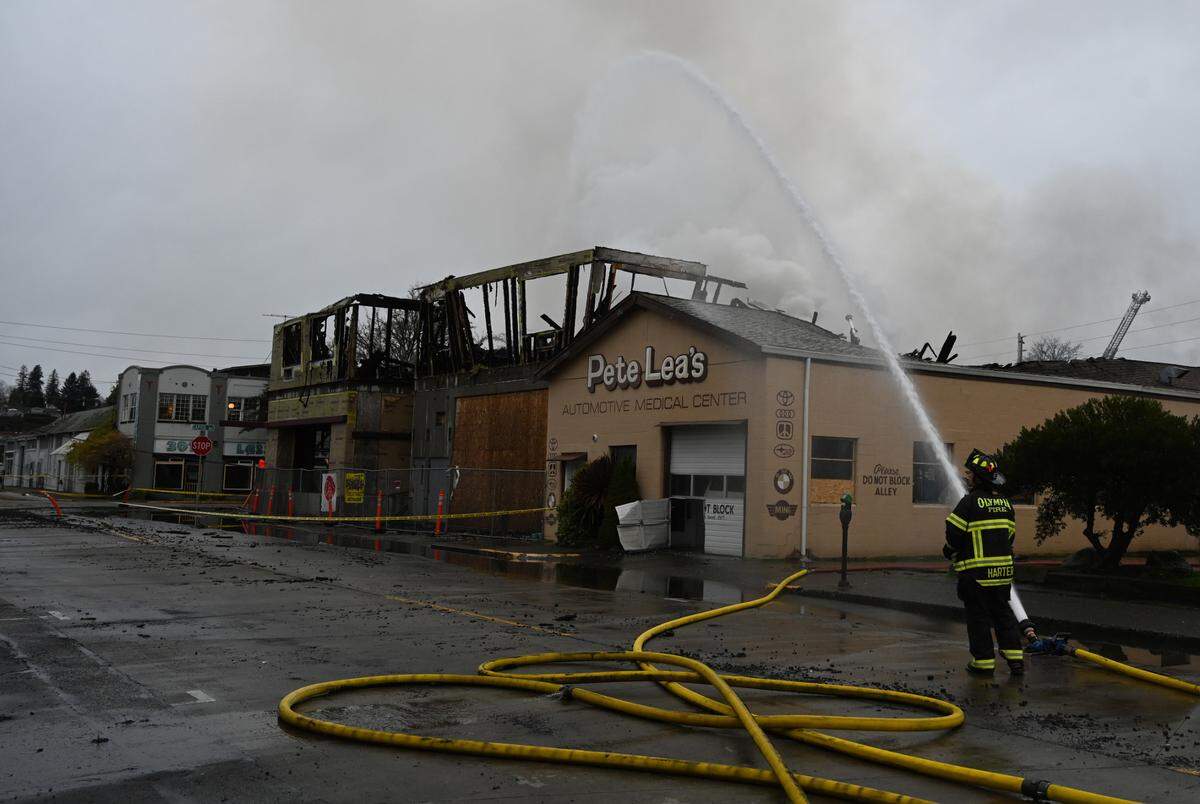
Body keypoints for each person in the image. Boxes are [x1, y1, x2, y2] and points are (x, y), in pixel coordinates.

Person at [943, 449, 1024, 676]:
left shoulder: (969, 503)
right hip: (1002, 574)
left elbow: (954, 534)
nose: (967, 478)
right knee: (1003, 614)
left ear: (978, 478)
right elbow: (1010, 536)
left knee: (978, 616)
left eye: (970, 474)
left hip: (976, 575)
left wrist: (949, 551)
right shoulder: (1006, 505)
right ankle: (1016, 659)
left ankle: (984, 662)